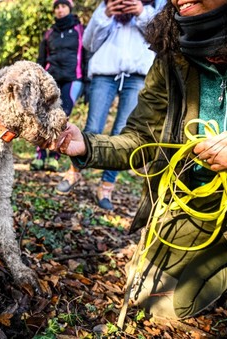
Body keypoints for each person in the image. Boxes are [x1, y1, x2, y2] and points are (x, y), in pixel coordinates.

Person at [53, 0, 227, 319]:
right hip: (193, 203)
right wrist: (87, 146)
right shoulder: (171, 52)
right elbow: (141, 138)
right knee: (153, 301)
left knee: (180, 304)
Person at [81, 0, 163, 209]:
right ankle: (74, 172)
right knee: (93, 126)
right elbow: (89, 43)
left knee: (124, 132)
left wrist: (142, 13)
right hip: (104, 74)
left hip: (137, 76)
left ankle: (106, 186)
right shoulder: (104, 8)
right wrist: (106, 15)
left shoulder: (153, 9)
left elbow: (160, 39)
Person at [34, 0, 84, 176]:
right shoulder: (49, 34)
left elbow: (85, 55)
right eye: (57, 7)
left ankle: (54, 157)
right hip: (51, 78)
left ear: (69, 8)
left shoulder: (80, 30)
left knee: (62, 117)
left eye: (63, 6)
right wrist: (38, 80)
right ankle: (40, 154)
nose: (60, 10)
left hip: (73, 78)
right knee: (44, 115)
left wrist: (88, 83)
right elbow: (41, 59)